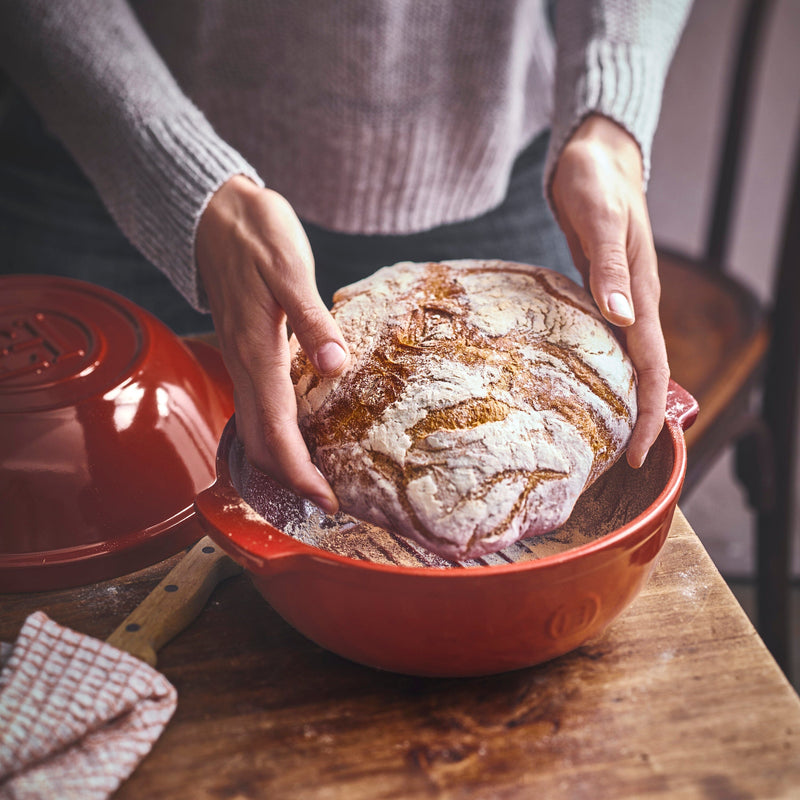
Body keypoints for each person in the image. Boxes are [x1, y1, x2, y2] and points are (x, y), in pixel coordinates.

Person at [0, 0, 692, 514]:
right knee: (92, 501)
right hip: (120, 140)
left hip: (490, 151)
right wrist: (179, 174)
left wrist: (609, 121)